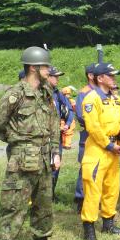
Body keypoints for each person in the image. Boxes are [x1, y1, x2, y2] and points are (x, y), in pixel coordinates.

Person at [0, 46, 63, 240]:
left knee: (44, 204)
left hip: (44, 157)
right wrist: (16, 140)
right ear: (33, 68)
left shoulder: (46, 92)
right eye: (45, 66)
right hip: (22, 158)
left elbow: (53, 124)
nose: (49, 70)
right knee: (14, 206)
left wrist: (55, 151)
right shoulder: (16, 94)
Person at [80, 63, 120, 240]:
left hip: (114, 149)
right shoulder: (91, 99)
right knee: (93, 190)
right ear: (100, 78)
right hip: (98, 150)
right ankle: (89, 229)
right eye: (111, 75)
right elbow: (93, 127)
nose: (114, 79)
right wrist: (109, 145)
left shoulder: (115, 98)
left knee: (112, 187)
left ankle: (108, 224)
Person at [73, 64, 97, 213]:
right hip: (89, 135)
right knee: (86, 167)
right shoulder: (84, 93)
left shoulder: (102, 92)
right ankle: (81, 198)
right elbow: (82, 116)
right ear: (90, 76)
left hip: (102, 136)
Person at [47, 66, 73, 202]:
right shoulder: (40, 92)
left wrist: (67, 123)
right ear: (47, 77)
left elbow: (69, 109)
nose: (57, 79)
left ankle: (51, 194)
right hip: (44, 136)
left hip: (56, 136)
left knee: (55, 165)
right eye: (55, 76)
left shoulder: (57, 93)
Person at [60, 86, 77, 150]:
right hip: (65, 118)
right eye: (67, 94)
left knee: (66, 131)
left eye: (68, 94)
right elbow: (74, 110)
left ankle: (65, 144)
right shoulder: (69, 101)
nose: (68, 95)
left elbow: (74, 109)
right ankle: (66, 144)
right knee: (65, 131)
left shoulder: (70, 101)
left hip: (65, 118)